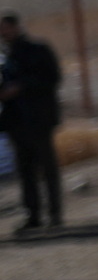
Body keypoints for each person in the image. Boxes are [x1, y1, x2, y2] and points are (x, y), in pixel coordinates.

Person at [1, 12, 64, 234]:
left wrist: (22, 86)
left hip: (38, 118)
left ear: (16, 26)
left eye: (6, 27)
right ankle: (33, 215)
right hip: (15, 121)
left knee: (46, 168)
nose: (3, 32)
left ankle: (54, 213)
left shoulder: (38, 49)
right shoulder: (4, 56)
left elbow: (53, 78)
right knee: (25, 170)